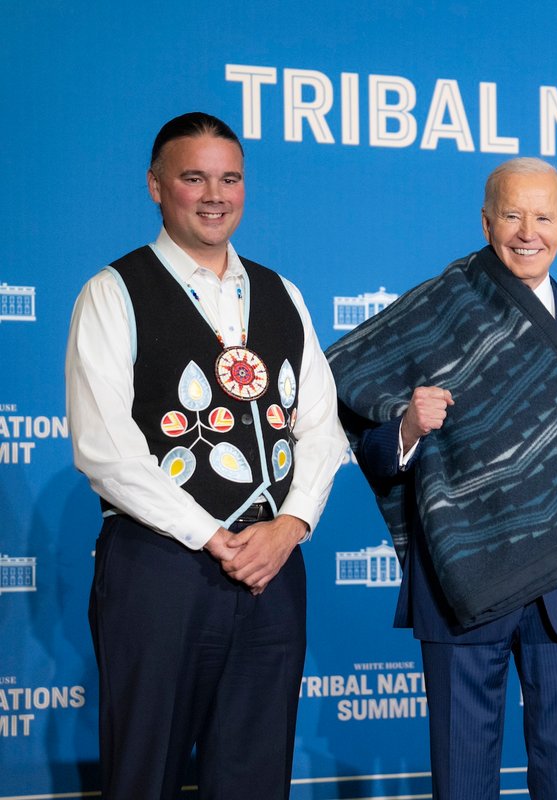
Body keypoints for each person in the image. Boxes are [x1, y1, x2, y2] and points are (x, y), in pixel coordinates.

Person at [329, 157, 557, 799]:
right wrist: (407, 426)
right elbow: (364, 435)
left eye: (543, 217)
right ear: (485, 222)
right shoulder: (435, 313)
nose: (528, 232)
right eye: (512, 215)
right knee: (462, 780)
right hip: (463, 580)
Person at [65, 112, 348, 799]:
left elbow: (321, 427)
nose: (215, 195)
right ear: (156, 186)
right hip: (160, 572)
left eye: (230, 178)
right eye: (194, 178)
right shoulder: (113, 292)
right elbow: (106, 449)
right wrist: (216, 538)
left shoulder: (282, 293)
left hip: (273, 572)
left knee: (255, 777)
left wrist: (291, 526)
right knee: (146, 775)